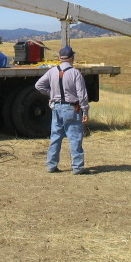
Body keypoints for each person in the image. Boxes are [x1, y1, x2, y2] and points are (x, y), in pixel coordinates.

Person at [35, 46, 90, 175]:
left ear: (60, 58)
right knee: (75, 137)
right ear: (72, 58)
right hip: (71, 108)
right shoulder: (75, 73)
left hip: (56, 107)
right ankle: (77, 167)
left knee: (55, 136)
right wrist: (85, 110)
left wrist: (51, 94)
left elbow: (38, 85)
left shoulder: (52, 71)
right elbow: (82, 94)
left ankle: (51, 165)